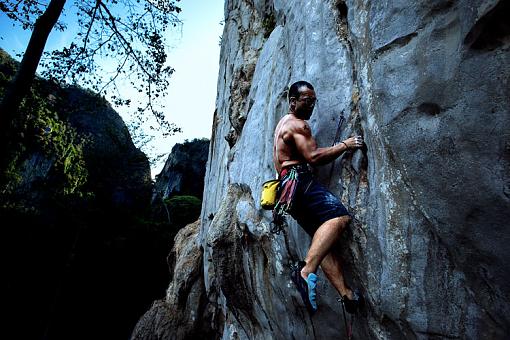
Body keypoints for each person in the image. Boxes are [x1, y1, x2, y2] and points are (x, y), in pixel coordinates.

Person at [273, 80, 363, 314]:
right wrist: (345, 145)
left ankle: (347, 295)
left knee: (321, 243)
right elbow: (313, 156)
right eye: (306, 101)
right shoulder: (297, 125)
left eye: (314, 101)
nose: (311, 105)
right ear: (293, 102)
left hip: (287, 189)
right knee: (339, 217)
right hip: (299, 181)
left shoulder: (282, 123)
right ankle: (305, 271)